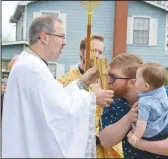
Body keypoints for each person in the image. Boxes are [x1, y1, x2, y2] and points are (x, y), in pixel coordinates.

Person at [2, 15, 114, 158]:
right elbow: (60, 112)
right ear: (44, 37)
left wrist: (82, 83)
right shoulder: (33, 68)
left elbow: (56, 100)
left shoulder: (31, 64)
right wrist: (92, 98)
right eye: (61, 36)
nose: (65, 42)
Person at [99, 53, 168, 158]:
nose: (107, 81)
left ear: (132, 82)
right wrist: (128, 118)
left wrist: (140, 144)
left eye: (113, 77)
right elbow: (105, 141)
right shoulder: (114, 101)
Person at [57, 35, 123, 158]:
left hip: (101, 149)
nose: (97, 55)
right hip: (75, 147)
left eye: (100, 52)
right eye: (93, 51)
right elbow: (60, 113)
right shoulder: (64, 81)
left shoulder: (106, 81)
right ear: (82, 52)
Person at [127, 63, 168, 158]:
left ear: (146, 87)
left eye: (137, 79)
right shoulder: (162, 90)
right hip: (165, 128)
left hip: (151, 133)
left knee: (132, 136)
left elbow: (142, 123)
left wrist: (136, 136)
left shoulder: (144, 102)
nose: (135, 81)